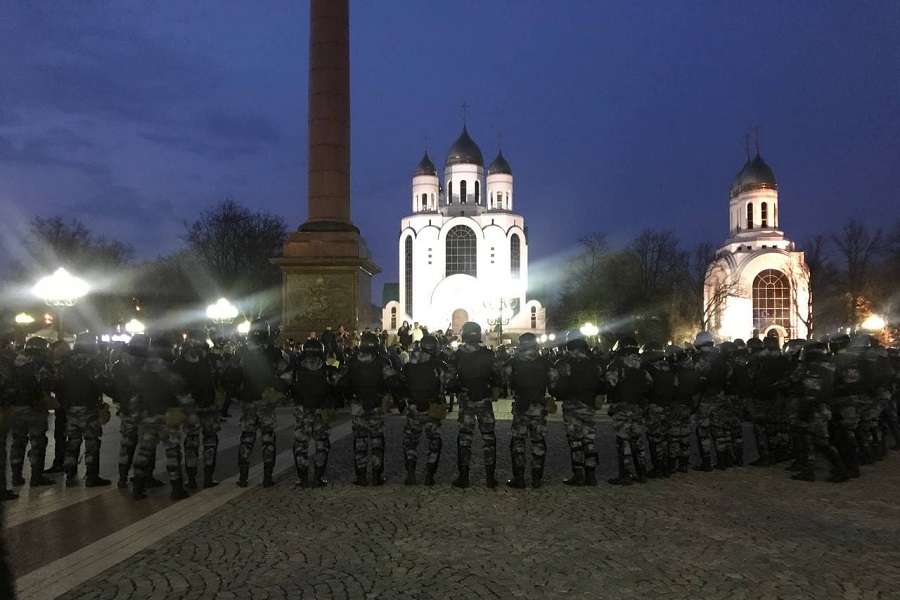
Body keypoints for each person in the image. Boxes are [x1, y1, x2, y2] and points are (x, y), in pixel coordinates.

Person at [223, 320, 291, 488]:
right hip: (267, 402)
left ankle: (243, 477)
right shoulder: (274, 353)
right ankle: (267, 476)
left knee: (246, 439)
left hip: (248, 402)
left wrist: (237, 395)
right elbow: (287, 377)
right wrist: (278, 392)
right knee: (268, 439)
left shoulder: (241, 353)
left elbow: (227, 377)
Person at [335, 332, 400, 486]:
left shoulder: (352, 361)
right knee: (377, 439)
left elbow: (339, 381)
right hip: (376, 404)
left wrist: (347, 394)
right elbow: (393, 381)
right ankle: (377, 475)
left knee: (360, 439)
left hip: (358, 405)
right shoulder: (382, 361)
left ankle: (361, 476)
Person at [131, 336, 189, 501]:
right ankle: (177, 488)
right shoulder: (169, 370)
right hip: (168, 417)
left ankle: (137, 488)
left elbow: (134, 396)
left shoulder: (142, 370)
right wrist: (190, 413)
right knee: (172, 453)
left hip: (147, 417)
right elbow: (182, 394)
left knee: (143, 452)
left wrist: (136, 415)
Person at [448, 322, 502, 488]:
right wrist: (492, 388)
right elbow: (498, 376)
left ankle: (464, 477)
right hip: (484, 399)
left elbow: (449, 380)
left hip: (466, 400)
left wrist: (459, 389)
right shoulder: (488, 354)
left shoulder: (457, 355)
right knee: (488, 438)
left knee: (465, 438)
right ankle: (490, 478)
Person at [56, 332, 112, 487]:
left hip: (71, 408)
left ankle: (70, 475)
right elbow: (102, 382)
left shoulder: (65, 363)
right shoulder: (93, 362)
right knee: (92, 442)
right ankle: (92, 476)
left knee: (72, 442)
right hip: (89, 408)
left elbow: (58, 384)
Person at [551, 337, 605, 486]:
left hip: (572, 404)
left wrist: (557, 394)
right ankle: (591, 474)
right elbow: (605, 382)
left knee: (575, 440)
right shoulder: (596, 363)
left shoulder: (565, 363)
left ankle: (579, 474)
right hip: (589, 405)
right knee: (589, 439)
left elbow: (555, 385)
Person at [504, 333, 555, 489]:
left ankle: (519, 478)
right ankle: (536, 478)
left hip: (521, 407)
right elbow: (554, 383)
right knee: (538, 442)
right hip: (539, 406)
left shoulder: (512, 363)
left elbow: (504, 381)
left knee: (518, 442)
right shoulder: (545, 363)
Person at [399, 334, 450, 486]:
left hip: (413, 408)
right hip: (432, 408)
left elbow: (400, 384)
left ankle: (411, 473)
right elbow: (450, 383)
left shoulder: (408, 365)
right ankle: (429, 474)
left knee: (410, 442)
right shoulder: (439, 365)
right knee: (434, 441)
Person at [173, 330, 221, 489]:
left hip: (189, 408)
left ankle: (191, 479)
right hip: (208, 406)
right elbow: (222, 379)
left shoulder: (179, 363)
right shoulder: (211, 361)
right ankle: (208, 477)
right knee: (210, 442)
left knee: (191, 442)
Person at [8, 336, 56, 487]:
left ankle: (16, 476)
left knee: (17, 442)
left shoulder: (14, 362)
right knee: (37, 442)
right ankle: (36, 476)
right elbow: (46, 384)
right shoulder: (42, 363)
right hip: (36, 408)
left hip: (16, 408)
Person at [290, 338, 338, 488]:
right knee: (322, 443)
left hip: (302, 410)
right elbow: (339, 386)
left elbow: (283, 383)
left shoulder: (296, 369)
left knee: (300, 444)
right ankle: (318, 476)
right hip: (320, 410)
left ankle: (303, 477)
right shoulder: (327, 369)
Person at [605, 336, 652, 485]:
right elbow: (649, 384)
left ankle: (625, 474)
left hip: (621, 406)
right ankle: (641, 472)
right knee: (637, 439)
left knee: (623, 440)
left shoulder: (617, 363)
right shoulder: (641, 364)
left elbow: (609, 384)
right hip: (637, 406)